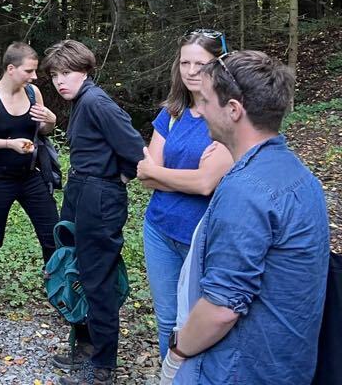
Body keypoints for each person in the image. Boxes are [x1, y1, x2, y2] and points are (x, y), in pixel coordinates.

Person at [158, 50, 329, 385]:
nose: (200, 110)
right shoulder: (298, 173)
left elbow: (222, 308)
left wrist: (177, 353)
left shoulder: (246, 190)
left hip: (240, 369)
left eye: (206, 101)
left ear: (234, 110)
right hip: (286, 364)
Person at [42, 39, 145, 385]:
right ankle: (85, 348)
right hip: (80, 189)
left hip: (99, 195)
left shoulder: (98, 102)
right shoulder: (81, 101)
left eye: (67, 72)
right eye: (55, 75)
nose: (60, 81)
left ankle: (102, 368)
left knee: (97, 278)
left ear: (85, 70)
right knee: (74, 268)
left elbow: (136, 149)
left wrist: (120, 177)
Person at [136, 30, 234, 359]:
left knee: (200, 320)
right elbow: (146, 177)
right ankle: (170, 376)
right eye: (184, 63)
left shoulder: (229, 114)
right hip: (159, 229)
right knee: (167, 319)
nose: (191, 71)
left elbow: (206, 184)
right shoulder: (173, 112)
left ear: (219, 64)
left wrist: (161, 174)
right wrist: (186, 177)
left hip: (202, 235)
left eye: (200, 64)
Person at [0, 41, 59, 328]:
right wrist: (8, 144)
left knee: (52, 237)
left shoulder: (33, 93)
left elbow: (44, 129)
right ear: (11, 69)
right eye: (29, 71)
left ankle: (59, 295)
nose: (34, 76)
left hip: (32, 176)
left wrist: (51, 121)